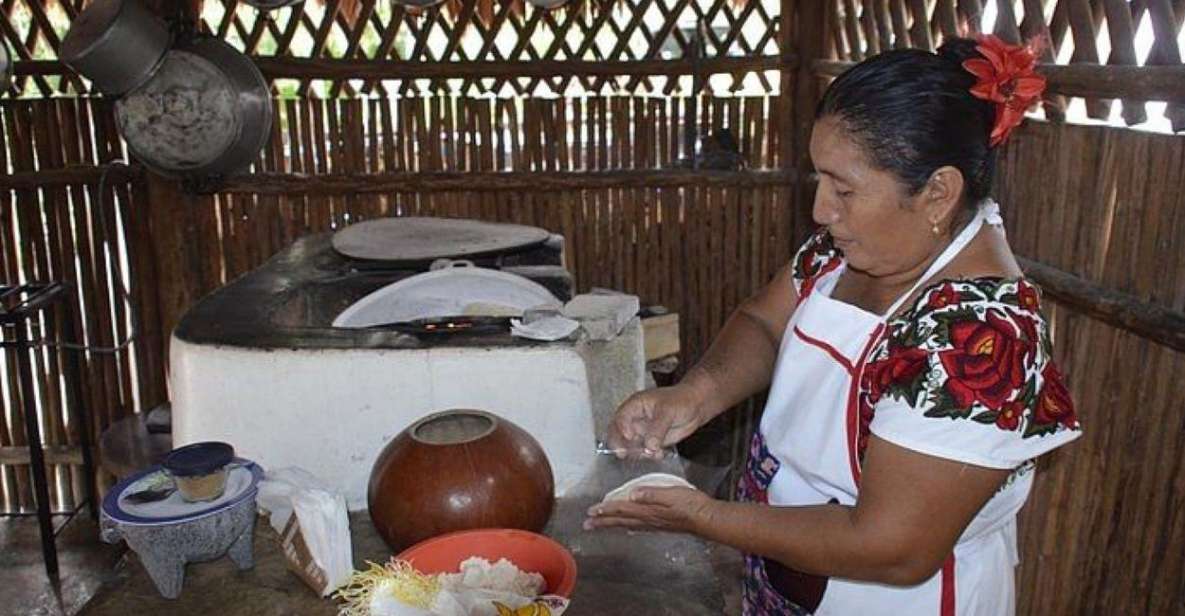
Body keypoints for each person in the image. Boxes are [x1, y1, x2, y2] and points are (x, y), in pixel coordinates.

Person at [584, 36, 1081, 615]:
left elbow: (892, 547)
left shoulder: (978, 338)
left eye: (843, 189)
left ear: (938, 193)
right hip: (785, 571)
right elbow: (767, 323)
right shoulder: (854, 247)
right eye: (821, 180)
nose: (821, 211)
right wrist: (695, 396)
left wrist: (706, 517)